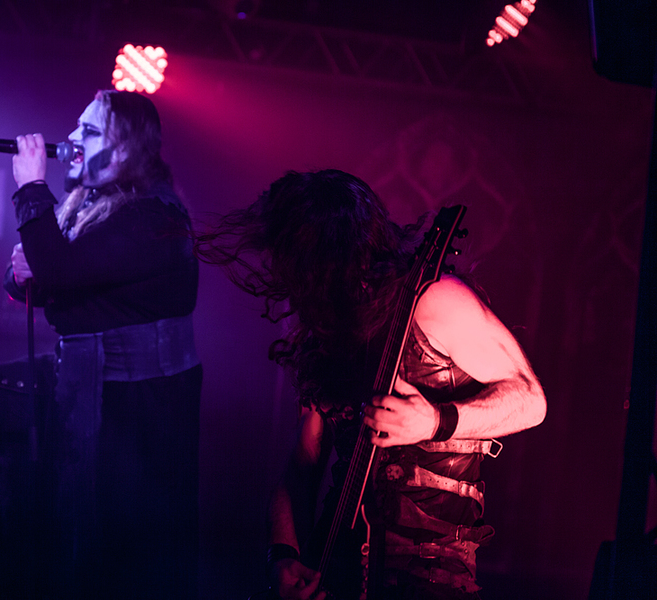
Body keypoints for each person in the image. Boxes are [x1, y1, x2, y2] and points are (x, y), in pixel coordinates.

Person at [0, 90, 201, 600]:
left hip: (128, 398)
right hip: (84, 370)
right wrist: (21, 273)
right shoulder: (97, 203)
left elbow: (58, 271)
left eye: (90, 131)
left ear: (126, 148)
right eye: (76, 126)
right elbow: (41, 278)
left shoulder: (154, 217)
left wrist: (33, 188)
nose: (72, 138)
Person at [196, 170, 546, 600]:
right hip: (336, 562)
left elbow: (530, 399)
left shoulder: (434, 300)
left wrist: (435, 421)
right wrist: (282, 554)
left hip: (429, 573)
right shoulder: (327, 330)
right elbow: (302, 465)